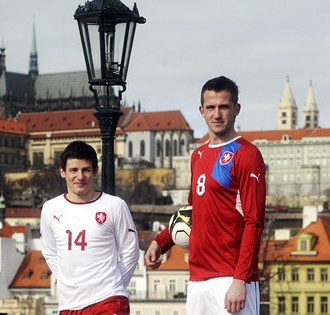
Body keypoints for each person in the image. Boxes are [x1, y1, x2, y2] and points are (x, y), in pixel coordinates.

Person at [145, 76, 266, 314]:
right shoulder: (197, 155)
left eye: (224, 106)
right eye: (211, 107)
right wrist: (160, 242)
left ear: (236, 109)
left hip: (231, 278)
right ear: (201, 111)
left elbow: (254, 221)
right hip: (198, 279)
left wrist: (240, 280)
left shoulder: (247, 154)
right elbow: (193, 212)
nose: (217, 114)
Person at [41, 141, 139, 314]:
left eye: (86, 170)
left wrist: (114, 285)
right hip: (69, 304)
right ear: (62, 172)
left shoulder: (114, 205)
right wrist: (68, 281)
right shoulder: (50, 208)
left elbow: (131, 252)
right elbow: (49, 252)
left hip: (108, 300)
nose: (80, 176)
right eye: (73, 170)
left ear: (95, 171)